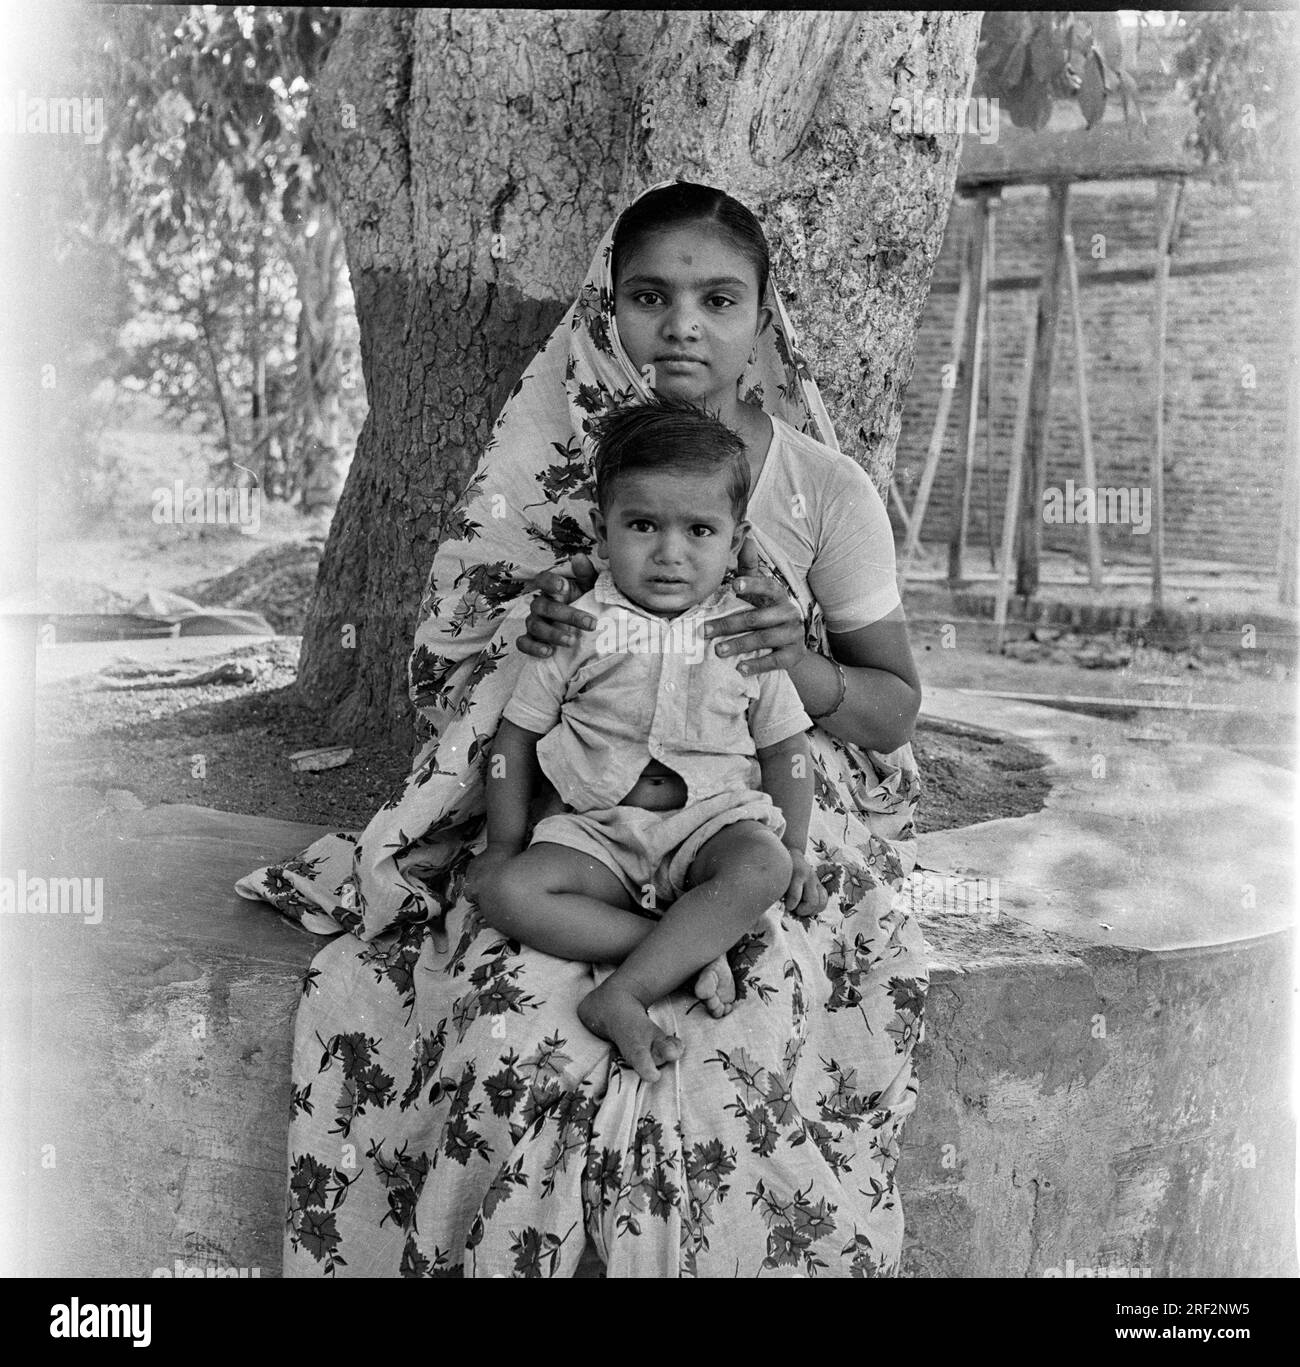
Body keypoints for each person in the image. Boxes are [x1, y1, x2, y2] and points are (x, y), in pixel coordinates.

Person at [238, 179, 928, 1278]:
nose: (683, 325)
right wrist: (536, 620)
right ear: (608, 307)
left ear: (765, 317)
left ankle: (688, 982)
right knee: (505, 1023)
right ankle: (649, 972)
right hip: (584, 804)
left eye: (719, 298)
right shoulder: (553, 464)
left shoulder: (819, 486)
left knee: (743, 1050)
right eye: (651, 295)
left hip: (749, 798)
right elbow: (452, 661)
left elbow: (893, 701)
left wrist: (792, 662)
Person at [471, 397, 826, 1084]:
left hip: (709, 829)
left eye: (699, 529)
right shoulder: (575, 626)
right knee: (510, 892)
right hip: (596, 836)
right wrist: (503, 846)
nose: (670, 552)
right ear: (603, 536)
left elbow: (787, 750)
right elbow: (512, 741)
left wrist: (795, 849)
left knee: (765, 868)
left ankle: (622, 992)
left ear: (735, 538)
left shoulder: (745, 633)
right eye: (642, 525)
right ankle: (685, 948)